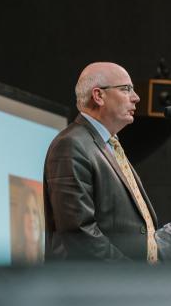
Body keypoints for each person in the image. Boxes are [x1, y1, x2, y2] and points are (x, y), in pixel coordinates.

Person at [43, 62, 158, 263]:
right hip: (99, 281)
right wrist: (133, 275)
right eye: (126, 89)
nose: (136, 97)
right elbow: (79, 233)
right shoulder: (71, 145)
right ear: (98, 96)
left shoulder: (110, 145)